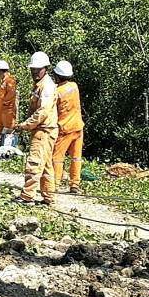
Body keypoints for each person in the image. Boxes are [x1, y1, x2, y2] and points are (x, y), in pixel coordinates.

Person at [13, 52, 59, 205]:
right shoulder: (39, 85)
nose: (34, 72)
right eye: (33, 69)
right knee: (45, 166)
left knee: (34, 162)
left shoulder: (47, 87)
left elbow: (42, 112)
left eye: (38, 69)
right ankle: (48, 196)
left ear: (46, 69)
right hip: (42, 130)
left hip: (44, 131)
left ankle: (27, 196)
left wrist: (24, 125)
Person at [51, 59, 84, 195]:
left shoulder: (56, 91)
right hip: (78, 127)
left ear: (57, 75)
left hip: (64, 129)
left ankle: (55, 184)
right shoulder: (74, 86)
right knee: (76, 157)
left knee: (57, 158)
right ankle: (75, 184)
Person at [0, 59, 18, 142]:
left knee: (8, 131)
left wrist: (4, 103)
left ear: (0, 71)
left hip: (7, 111)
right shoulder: (3, 82)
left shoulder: (10, 81)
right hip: (1, 111)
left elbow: (11, 94)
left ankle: (8, 150)